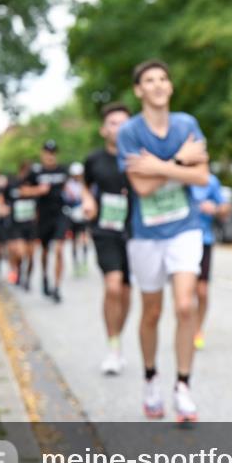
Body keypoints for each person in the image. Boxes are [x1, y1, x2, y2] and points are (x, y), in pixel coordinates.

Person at [118, 60, 210, 423]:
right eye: (148, 81)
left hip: (185, 228)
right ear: (139, 90)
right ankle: (151, 378)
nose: (157, 85)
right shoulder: (129, 131)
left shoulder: (187, 125)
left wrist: (157, 166)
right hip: (146, 234)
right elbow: (140, 188)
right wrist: (177, 163)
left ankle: (183, 386)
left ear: (169, 87)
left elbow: (202, 176)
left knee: (185, 306)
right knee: (152, 312)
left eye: (163, 78)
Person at [82, 102, 134, 376]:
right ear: (104, 129)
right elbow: (83, 186)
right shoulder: (94, 160)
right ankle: (113, 348)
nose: (119, 128)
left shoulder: (138, 156)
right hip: (104, 229)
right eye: (114, 123)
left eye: (125, 122)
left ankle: (117, 338)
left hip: (134, 231)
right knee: (112, 287)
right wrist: (88, 199)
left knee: (125, 292)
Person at [24, 140, 70, 303]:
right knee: (44, 252)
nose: (50, 155)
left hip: (60, 214)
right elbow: (23, 190)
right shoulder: (35, 172)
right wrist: (38, 190)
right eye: (47, 152)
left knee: (59, 249)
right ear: (42, 153)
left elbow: (71, 188)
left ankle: (57, 287)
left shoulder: (64, 170)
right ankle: (45, 277)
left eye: (53, 152)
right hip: (43, 216)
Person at [189, 173, 232, 350]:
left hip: (204, 241)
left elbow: (225, 209)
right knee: (186, 291)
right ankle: (186, 327)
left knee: (202, 291)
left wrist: (214, 209)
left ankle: (198, 329)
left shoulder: (210, 181)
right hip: (183, 241)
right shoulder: (178, 175)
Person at [1, 161, 37, 289]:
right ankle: (18, 272)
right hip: (17, 225)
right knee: (20, 252)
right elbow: (2, 199)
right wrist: (3, 208)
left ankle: (27, 279)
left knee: (31, 255)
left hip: (32, 225)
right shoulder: (12, 185)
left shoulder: (35, 186)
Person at [63, 162, 90, 277]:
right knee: (74, 240)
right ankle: (75, 263)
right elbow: (66, 198)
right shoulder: (68, 185)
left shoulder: (86, 184)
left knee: (84, 238)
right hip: (73, 215)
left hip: (83, 214)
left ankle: (84, 261)